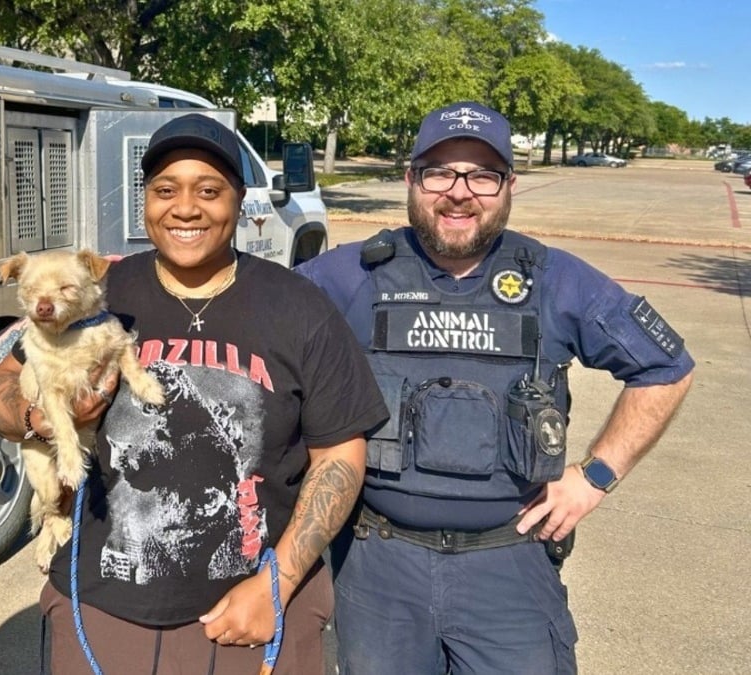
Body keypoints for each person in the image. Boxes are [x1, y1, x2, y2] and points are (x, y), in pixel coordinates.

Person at [297, 100, 695, 674]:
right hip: (379, 569)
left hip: (509, 568)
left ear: (508, 185)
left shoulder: (555, 279)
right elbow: (255, 319)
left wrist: (595, 477)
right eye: (439, 172)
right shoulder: (350, 273)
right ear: (411, 179)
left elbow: (666, 367)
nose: (460, 193)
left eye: (482, 175)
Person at [0, 113, 388, 673]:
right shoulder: (97, 291)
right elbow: (1, 386)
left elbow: (341, 453)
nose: (186, 208)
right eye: (165, 190)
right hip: (102, 604)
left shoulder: (299, 306)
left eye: (209, 190)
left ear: (239, 200)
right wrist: (41, 416)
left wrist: (281, 580)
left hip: (252, 610)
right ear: (145, 200)